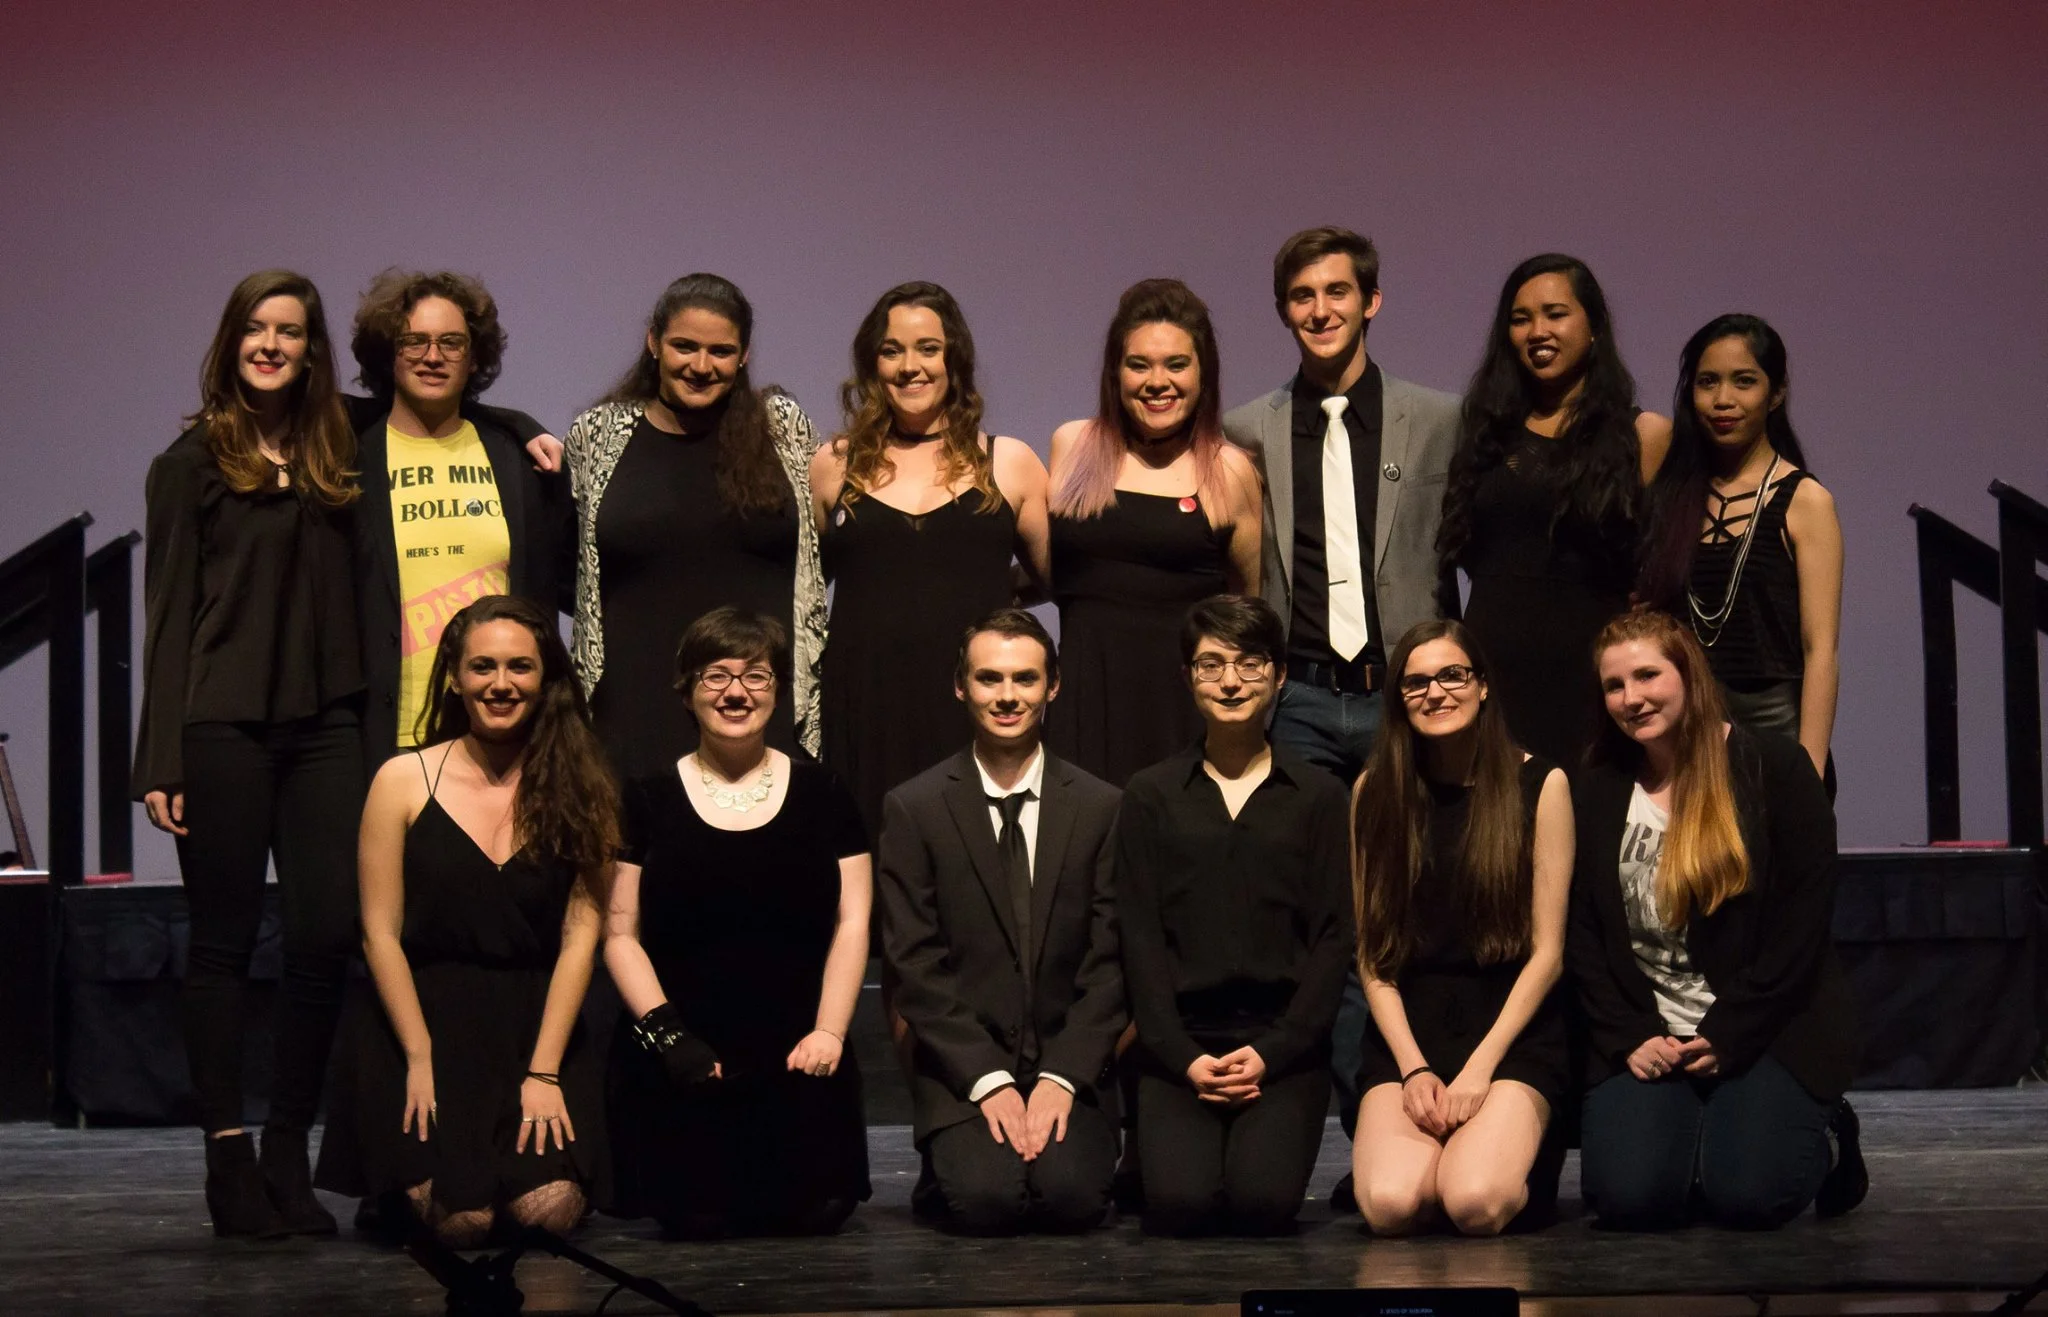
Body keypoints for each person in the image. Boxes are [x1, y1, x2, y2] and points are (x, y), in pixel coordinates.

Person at [134, 269, 366, 1237]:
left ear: (312, 351)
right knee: (223, 944)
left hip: (328, 726)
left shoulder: (340, 450)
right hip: (221, 726)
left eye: (291, 331)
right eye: (257, 329)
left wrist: (525, 432)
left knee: (324, 936)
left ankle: (285, 1152)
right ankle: (228, 1158)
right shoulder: (190, 463)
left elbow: (448, 406)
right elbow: (168, 612)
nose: (272, 345)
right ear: (232, 340)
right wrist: (160, 759)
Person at [316, 596, 612, 1246]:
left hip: (533, 1023)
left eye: (519, 667)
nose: (500, 683)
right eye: (483, 666)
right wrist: (419, 1055)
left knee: (546, 1213)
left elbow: (580, 938)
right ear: (454, 676)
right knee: (462, 1223)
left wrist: (544, 1071)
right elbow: (379, 933)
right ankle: (398, 1190)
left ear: (545, 678)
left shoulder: (581, 785)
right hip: (423, 1018)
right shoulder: (402, 779)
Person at [1569, 610, 1866, 1230]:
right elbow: (1582, 932)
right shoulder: (1594, 787)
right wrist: (1628, 1033)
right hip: (1650, 1033)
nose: (1631, 698)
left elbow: (1801, 930)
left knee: (1750, 1198)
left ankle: (1827, 1135)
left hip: (1764, 1027)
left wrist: (1731, 1031)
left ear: (1689, 674)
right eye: (1614, 685)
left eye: (1648, 676)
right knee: (1631, 1199)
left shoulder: (1774, 769)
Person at [604, 608, 872, 1236]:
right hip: (687, 1058)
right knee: (696, 1217)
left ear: (777, 691)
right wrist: (671, 1041)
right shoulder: (644, 798)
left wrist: (829, 1033)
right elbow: (619, 935)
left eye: (755, 676)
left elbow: (854, 920)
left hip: (801, 1055)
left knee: (815, 1211)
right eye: (716, 676)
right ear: (687, 691)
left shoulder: (825, 792)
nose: (735, 692)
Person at [877, 609, 1125, 1234]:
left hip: (1069, 1064)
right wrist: (987, 1080)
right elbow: (914, 962)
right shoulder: (914, 807)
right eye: (989, 678)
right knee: (987, 1203)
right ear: (961, 686)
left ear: (1053, 686)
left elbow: (1111, 959)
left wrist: (1063, 1076)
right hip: (965, 1065)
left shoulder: (1102, 807)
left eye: (1025, 679)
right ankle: (951, 1162)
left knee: (1070, 1200)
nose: (1008, 696)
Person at [1115, 594, 1352, 1235]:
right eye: (1211, 664)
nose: (1230, 681)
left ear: (1279, 675)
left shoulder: (1320, 795)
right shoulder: (1151, 794)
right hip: (1180, 1047)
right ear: (1188, 676)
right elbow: (1139, 935)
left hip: (1281, 1049)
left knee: (1261, 1205)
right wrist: (1181, 1055)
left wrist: (1275, 1051)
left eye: (1250, 664)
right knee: (1181, 1207)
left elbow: (1333, 937)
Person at [1348, 621, 1573, 1236]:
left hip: (1510, 1033)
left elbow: (1549, 954)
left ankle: (1510, 1158)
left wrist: (1480, 1070)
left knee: (1473, 1200)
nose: (1435, 692)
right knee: (1391, 1205)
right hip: (1411, 1035)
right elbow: (1373, 958)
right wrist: (1414, 1069)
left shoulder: (1541, 784)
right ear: (1398, 699)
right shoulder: (1374, 792)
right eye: (1416, 682)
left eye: (1452, 675)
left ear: (1482, 686)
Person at [1224, 227, 1462, 782]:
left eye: (1337, 292)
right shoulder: (1247, 429)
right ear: (1284, 311)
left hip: (1409, 693)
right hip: (1298, 702)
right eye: (1302, 296)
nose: (1320, 311)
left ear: (1370, 301)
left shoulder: (1439, 420)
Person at [812, 282, 1052, 834]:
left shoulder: (1008, 462)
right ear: (872, 364)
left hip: (972, 706)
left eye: (928, 349)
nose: (909, 367)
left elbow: (1056, 577)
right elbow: (806, 591)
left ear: (954, 359)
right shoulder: (833, 465)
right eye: (892, 350)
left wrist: (990, 594)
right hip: (864, 707)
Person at [565, 275, 826, 777]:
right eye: (684, 346)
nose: (701, 366)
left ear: (744, 355)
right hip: (634, 711)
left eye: (720, 351)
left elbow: (820, 551)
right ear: (653, 342)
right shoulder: (597, 434)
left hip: (759, 705)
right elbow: (569, 566)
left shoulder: (783, 427)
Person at [1437, 254, 1672, 767]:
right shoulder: (1482, 434)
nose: (1537, 331)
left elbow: (1660, 567)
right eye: (1520, 319)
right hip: (1492, 675)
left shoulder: (1643, 435)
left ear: (1594, 326)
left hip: (1591, 680)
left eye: (1555, 313)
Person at [346, 269, 573, 771]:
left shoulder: (521, 459)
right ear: (389, 353)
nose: (433, 356)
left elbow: (567, 584)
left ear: (473, 357)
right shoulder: (349, 459)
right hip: (389, 738)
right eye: (415, 341)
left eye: (451, 342)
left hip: (509, 736)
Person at [1046, 278, 1263, 787]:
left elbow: (1248, 608)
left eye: (1176, 365)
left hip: (1181, 719)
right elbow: (1049, 570)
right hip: (1083, 709)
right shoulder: (1072, 446)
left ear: (1203, 374)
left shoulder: (1230, 470)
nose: (1157, 382)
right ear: (1115, 372)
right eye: (1139, 365)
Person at [1638, 314, 1842, 785]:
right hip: (1684, 740)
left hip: (1773, 737)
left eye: (1744, 381)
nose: (1723, 399)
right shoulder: (1671, 496)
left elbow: (1821, 651)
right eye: (1708, 382)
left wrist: (1807, 775)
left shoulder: (1805, 501)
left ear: (1776, 392)